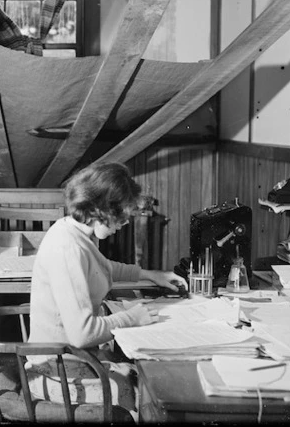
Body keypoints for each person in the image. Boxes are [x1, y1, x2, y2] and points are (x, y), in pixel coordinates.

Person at [26, 161, 187, 420]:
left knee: (139, 376)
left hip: (67, 360)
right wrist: (131, 318)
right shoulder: (68, 249)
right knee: (146, 390)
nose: (124, 223)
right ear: (102, 209)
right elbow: (81, 334)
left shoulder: (75, 231)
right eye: (122, 215)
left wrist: (148, 274)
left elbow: (101, 267)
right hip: (55, 373)